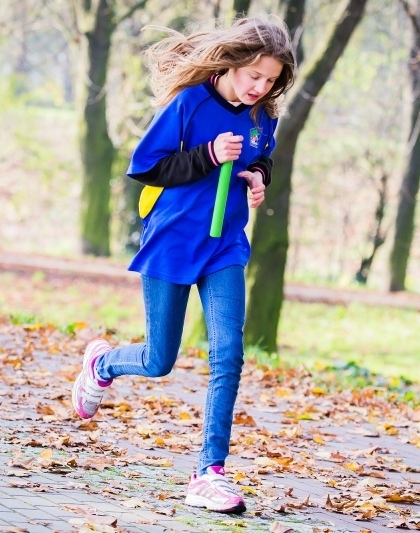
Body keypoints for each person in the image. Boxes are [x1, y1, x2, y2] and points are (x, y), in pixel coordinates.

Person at [71, 15, 296, 515]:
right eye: (253, 76)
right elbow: (146, 166)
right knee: (159, 359)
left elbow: (264, 155)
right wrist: (208, 154)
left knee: (228, 355)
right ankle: (101, 364)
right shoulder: (190, 103)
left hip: (225, 247)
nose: (260, 88)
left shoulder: (264, 118)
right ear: (233, 63)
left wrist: (257, 175)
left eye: (270, 80)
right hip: (172, 241)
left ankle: (208, 473)